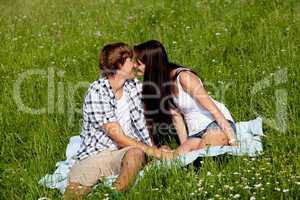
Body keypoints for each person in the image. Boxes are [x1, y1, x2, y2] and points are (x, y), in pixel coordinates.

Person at [64, 42, 174, 200]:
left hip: (123, 152)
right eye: (131, 60)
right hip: (98, 154)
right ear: (120, 64)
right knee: (75, 193)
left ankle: (113, 195)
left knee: (136, 153)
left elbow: (145, 120)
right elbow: (117, 136)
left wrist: (155, 148)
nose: (135, 65)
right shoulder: (97, 91)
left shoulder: (132, 86)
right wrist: (154, 153)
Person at [133, 40, 238, 156]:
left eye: (138, 63)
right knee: (176, 159)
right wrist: (184, 146)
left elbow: (214, 110)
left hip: (215, 124)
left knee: (202, 157)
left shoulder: (184, 77)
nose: (134, 66)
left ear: (150, 64)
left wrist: (232, 139)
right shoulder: (160, 84)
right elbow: (177, 118)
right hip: (195, 133)